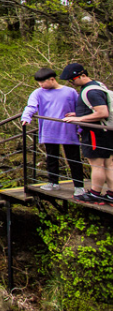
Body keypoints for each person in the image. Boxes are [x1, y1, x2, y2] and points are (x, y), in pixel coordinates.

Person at [20, 67, 84, 195]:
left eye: (43, 82)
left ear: (52, 79)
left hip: (67, 129)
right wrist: (26, 117)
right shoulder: (38, 93)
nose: (41, 85)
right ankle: (53, 182)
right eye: (39, 83)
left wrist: (79, 124)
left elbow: (80, 108)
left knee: (73, 158)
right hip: (49, 129)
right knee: (52, 157)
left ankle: (79, 185)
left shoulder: (70, 92)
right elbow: (31, 106)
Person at [61, 63, 113, 205]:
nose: (72, 83)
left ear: (83, 75)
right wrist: (79, 113)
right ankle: (111, 194)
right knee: (109, 164)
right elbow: (95, 109)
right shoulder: (98, 85)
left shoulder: (91, 91)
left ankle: (95, 194)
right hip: (105, 131)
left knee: (97, 164)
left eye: (73, 79)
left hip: (95, 133)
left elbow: (102, 112)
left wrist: (79, 118)